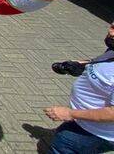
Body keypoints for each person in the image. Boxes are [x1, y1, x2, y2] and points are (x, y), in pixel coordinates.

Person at [45, 22, 114, 153]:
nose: (111, 33)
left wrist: (70, 114)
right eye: (113, 27)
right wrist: (83, 65)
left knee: (62, 145)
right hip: (83, 121)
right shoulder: (112, 49)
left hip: (93, 133)